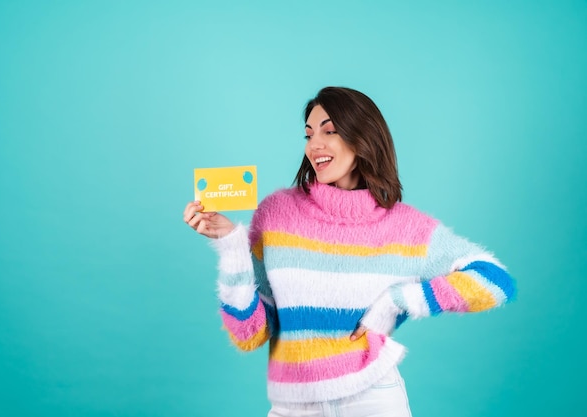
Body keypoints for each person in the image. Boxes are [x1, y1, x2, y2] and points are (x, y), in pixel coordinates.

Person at [183, 86, 516, 417]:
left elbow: (495, 281)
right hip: (294, 406)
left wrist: (396, 302)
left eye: (330, 131)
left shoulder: (407, 228)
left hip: (373, 398)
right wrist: (231, 245)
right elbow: (249, 334)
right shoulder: (277, 215)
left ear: (363, 138)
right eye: (309, 134)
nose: (315, 145)